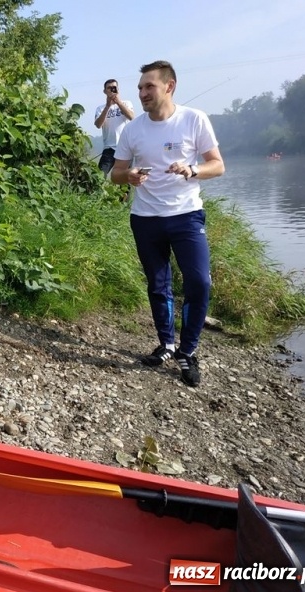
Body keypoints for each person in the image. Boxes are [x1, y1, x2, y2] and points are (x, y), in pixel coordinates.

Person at [110, 60, 225, 387]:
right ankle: (166, 344)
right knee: (157, 284)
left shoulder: (194, 119)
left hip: (187, 216)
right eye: (141, 87)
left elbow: (217, 165)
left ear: (169, 86)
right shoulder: (133, 129)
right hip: (146, 219)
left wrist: (192, 169)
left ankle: (187, 351)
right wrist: (128, 176)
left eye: (150, 86)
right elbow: (114, 173)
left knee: (199, 281)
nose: (143, 93)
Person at [94, 79, 135, 176]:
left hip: (126, 148)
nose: (112, 90)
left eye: (114, 87)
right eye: (109, 88)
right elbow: (98, 125)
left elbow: (131, 117)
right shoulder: (100, 108)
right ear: (104, 91)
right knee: (99, 175)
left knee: (125, 179)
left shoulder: (127, 103)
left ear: (118, 89)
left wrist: (119, 102)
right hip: (109, 148)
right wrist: (108, 106)